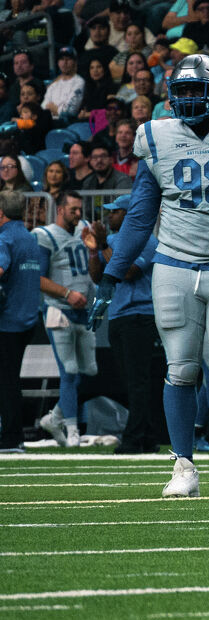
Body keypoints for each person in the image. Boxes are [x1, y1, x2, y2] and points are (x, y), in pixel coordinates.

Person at [88, 55, 209, 496]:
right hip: (174, 265)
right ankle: (183, 466)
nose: (191, 98)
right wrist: (111, 277)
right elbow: (140, 217)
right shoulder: (156, 136)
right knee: (180, 368)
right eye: (184, 90)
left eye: (199, 89)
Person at [2, 191, 88, 452]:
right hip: (28, 318)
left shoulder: (6, 238)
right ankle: (17, 433)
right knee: (10, 379)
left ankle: (11, 437)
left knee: (7, 381)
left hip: (7, 320)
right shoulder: (30, 237)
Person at [31, 191, 100, 447]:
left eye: (80, 209)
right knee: (69, 371)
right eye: (73, 209)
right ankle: (73, 431)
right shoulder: (44, 235)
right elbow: (36, 277)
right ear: (60, 210)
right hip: (57, 309)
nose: (79, 214)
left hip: (82, 310)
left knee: (86, 371)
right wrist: (67, 293)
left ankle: (53, 418)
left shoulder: (83, 229)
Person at [99, 194, 168, 453]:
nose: (109, 215)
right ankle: (147, 436)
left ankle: (134, 438)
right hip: (118, 314)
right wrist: (95, 249)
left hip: (140, 315)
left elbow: (127, 272)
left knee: (138, 380)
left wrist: (102, 244)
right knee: (130, 380)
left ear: (128, 215)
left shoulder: (148, 241)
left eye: (115, 211)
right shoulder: (114, 240)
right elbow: (98, 275)